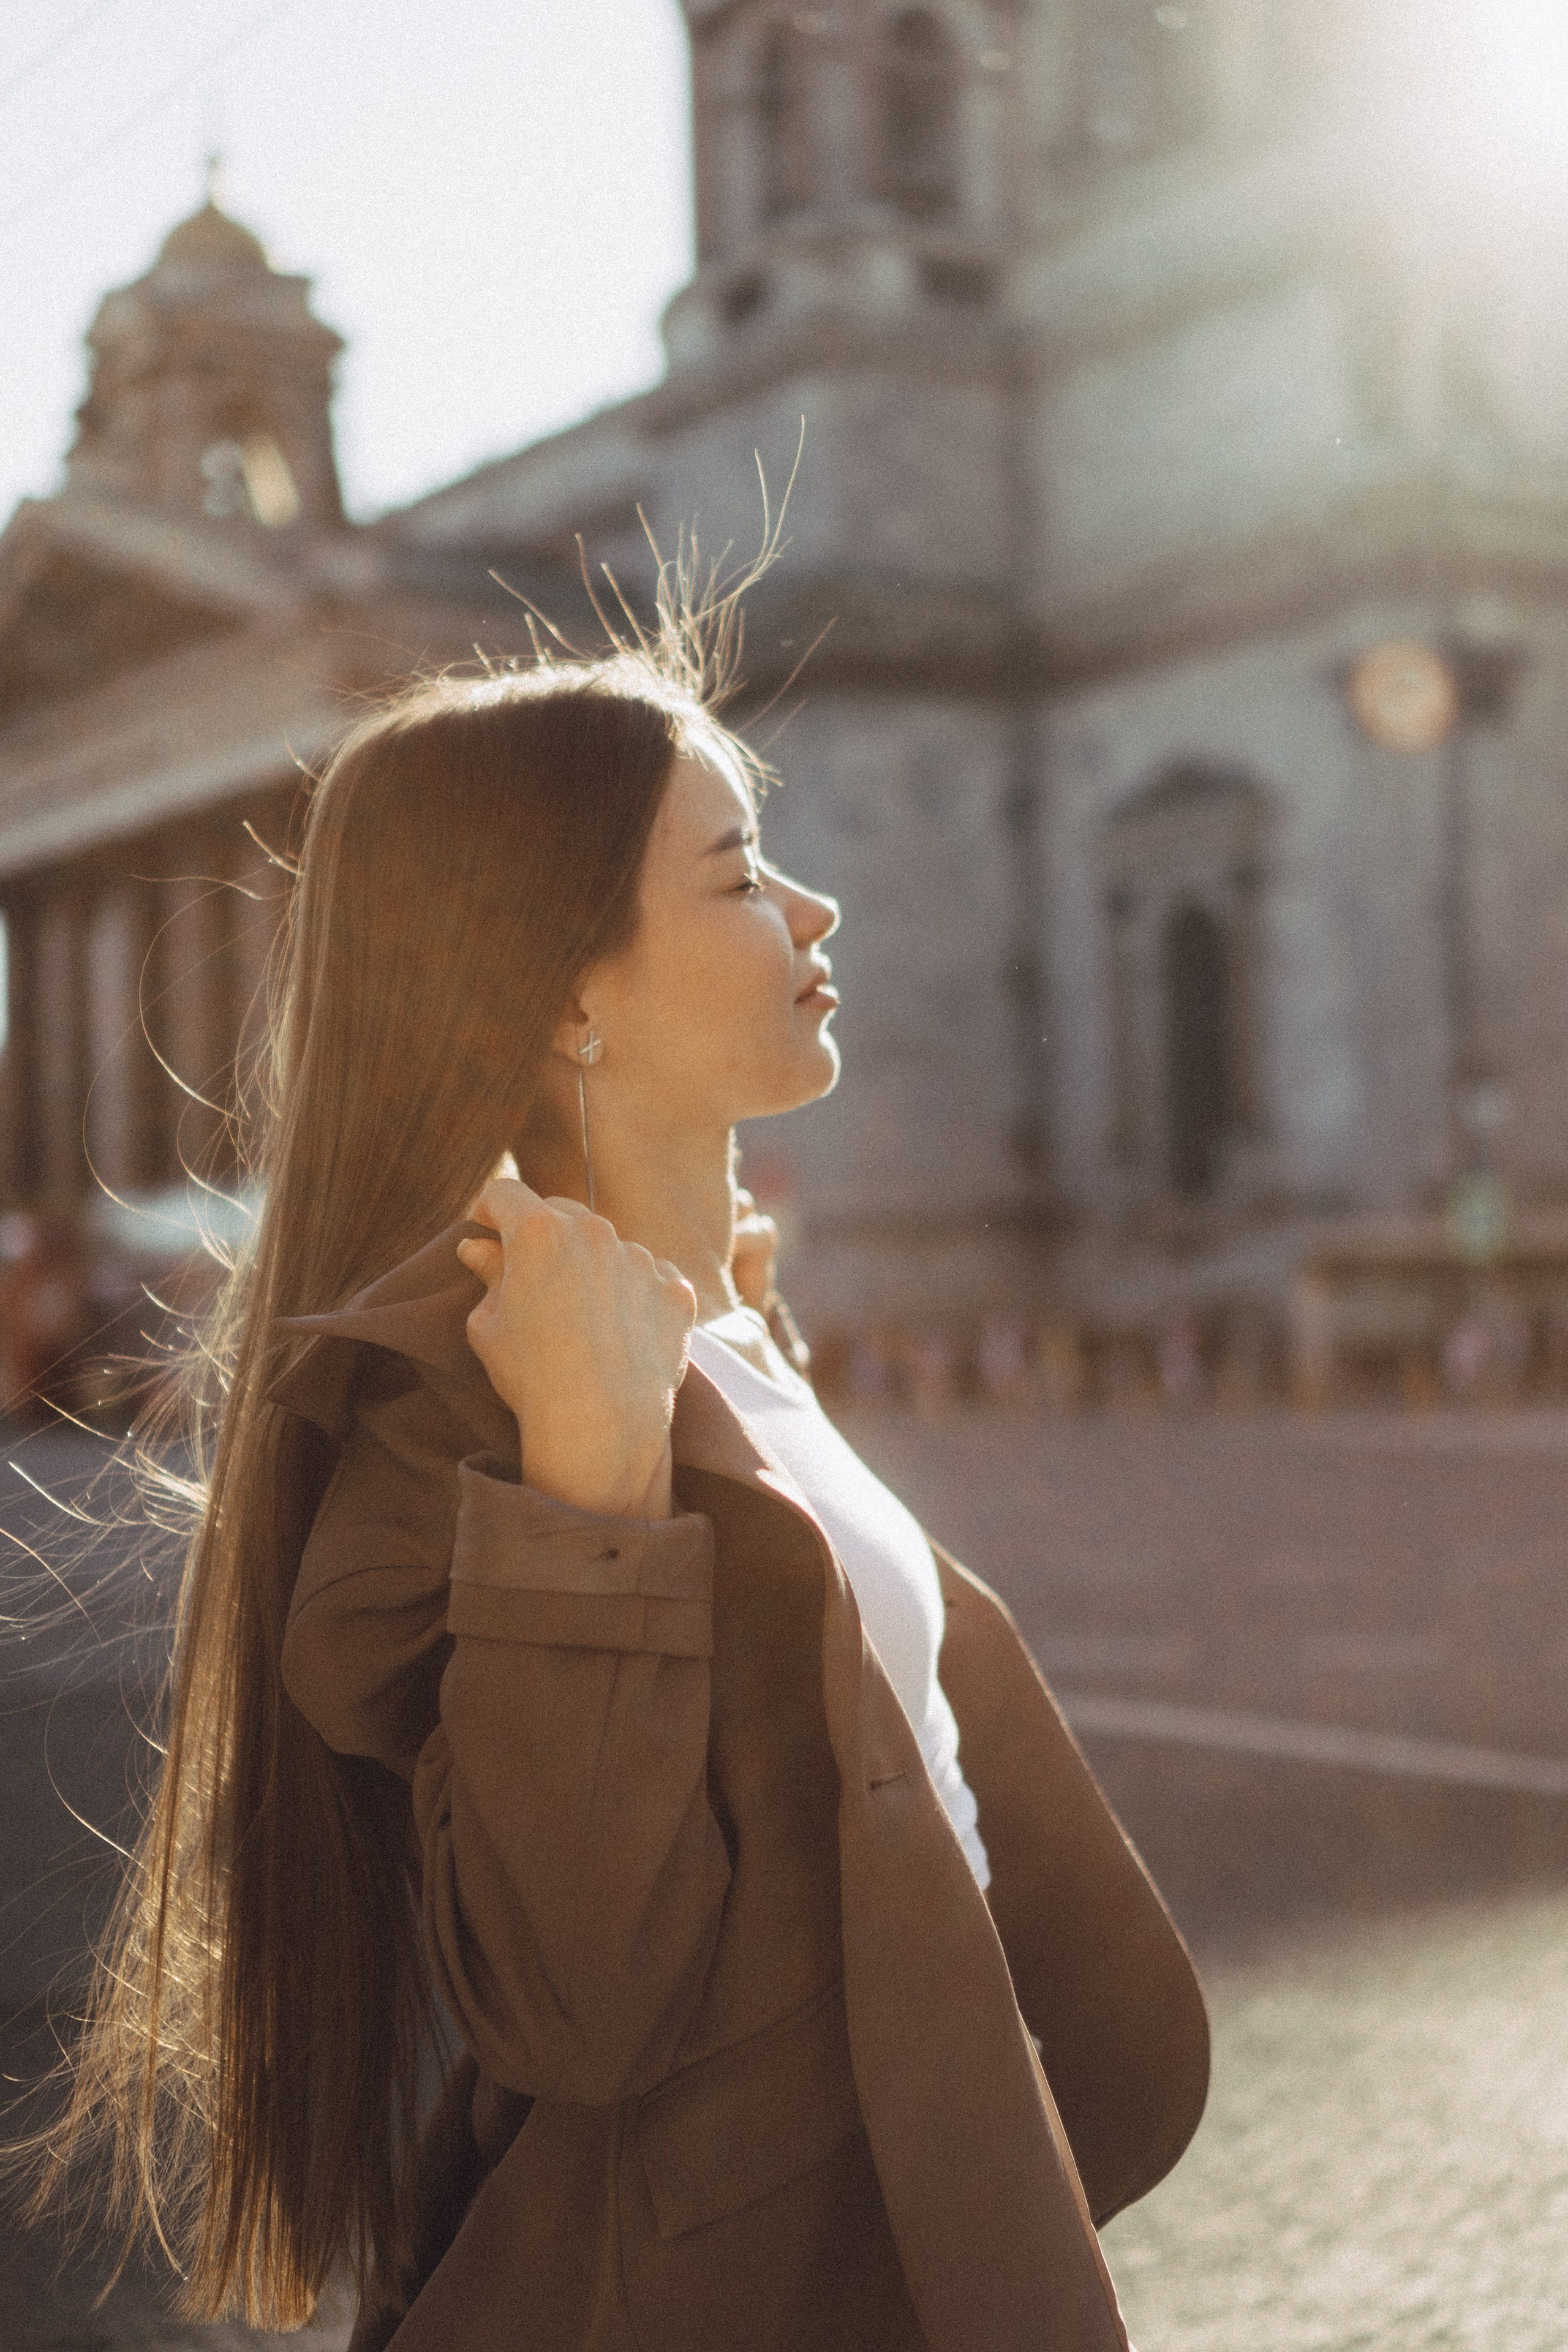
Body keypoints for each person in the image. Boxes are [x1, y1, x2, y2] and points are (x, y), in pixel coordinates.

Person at [18, 617, 1208, 2348]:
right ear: (566, 989)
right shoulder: (466, 1397)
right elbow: (573, 1999)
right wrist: (583, 1495)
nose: (818, 910)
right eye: (736, 875)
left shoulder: (719, 1316)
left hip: (915, 2241)